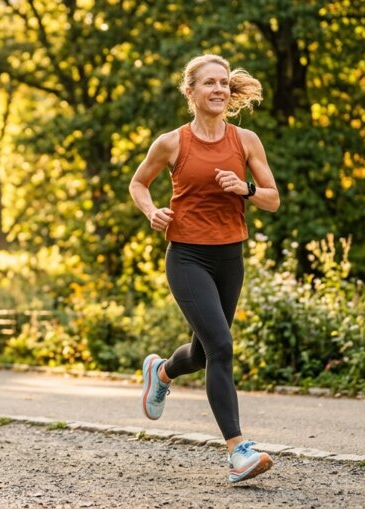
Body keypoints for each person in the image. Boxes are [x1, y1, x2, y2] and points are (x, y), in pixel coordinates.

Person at [128, 54, 280, 484]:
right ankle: (238, 452)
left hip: (229, 257)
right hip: (187, 256)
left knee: (202, 352)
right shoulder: (171, 143)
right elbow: (139, 183)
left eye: (224, 84)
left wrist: (245, 189)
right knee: (222, 346)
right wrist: (151, 211)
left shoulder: (246, 140)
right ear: (190, 91)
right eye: (209, 83)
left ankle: (161, 371)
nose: (218, 90)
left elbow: (272, 198)